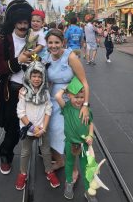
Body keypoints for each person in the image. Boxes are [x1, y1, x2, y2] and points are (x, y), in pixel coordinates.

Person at [0, 0, 33, 175]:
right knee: (13, 129)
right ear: (14, 22)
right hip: (11, 91)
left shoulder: (35, 39)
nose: (23, 26)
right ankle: (5, 155)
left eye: (25, 22)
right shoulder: (4, 41)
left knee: (32, 125)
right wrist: (18, 61)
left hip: (31, 91)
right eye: (20, 23)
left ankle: (45, 152)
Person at [42, 29, 90, 176]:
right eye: (50, 42)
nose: (53, 46)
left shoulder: (71, 57)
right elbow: (38, 75)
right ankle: (60, 160)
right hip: (52, 97)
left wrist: (85, 105)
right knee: (51, 132)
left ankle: (74, 169)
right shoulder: (45, 56)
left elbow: (84, 82)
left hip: (70, 97)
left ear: (63, 42)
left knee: (69, 135)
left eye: (57, 42)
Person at [15, 61, 60, 190]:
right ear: (29, 75)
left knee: (46, 151)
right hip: (28, 129)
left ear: (43, 78)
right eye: (34, 76)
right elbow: (20, 112)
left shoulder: (45, 93)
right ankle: (23, 173)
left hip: (42, 129)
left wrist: (44, 128)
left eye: (40, 76)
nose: (36, 79)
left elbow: (48, 110)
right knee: (25, 152)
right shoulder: (23, 92)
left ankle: (49, 171)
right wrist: (32, 127)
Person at [55, 76, 97, 202]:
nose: (79, 100)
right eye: (76, 97)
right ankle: (69, 183)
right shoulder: (67, 108)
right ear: (69, 96)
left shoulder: (86, 109)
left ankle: (88, 190)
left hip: (84, 144)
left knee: (86, 167)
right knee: (69, 164)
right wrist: (66, 88)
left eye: (81, 97)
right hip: (70, 143)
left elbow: (90, 123)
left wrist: (90, 135)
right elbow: (58, 96)